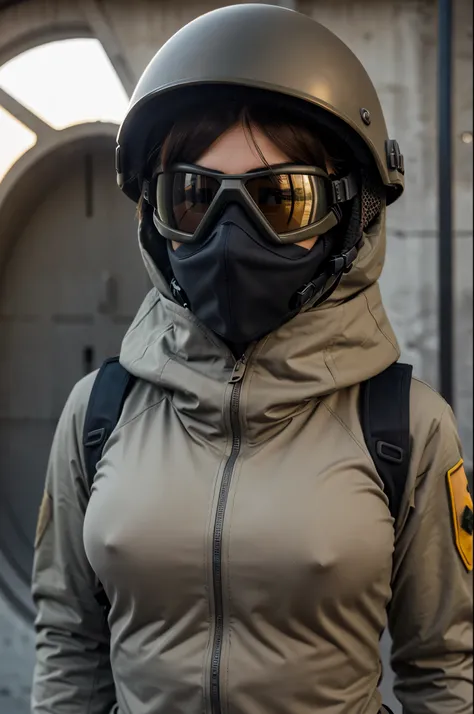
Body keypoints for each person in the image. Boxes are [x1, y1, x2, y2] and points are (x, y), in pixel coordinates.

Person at [31, 5, 473, 714]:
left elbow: (443, 669)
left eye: (281, 198)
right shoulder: (97, 413)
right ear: (154, 217)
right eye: (194, 195)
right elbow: (67, 642)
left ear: (350, 213)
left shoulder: (407, 427)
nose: (229, 235)